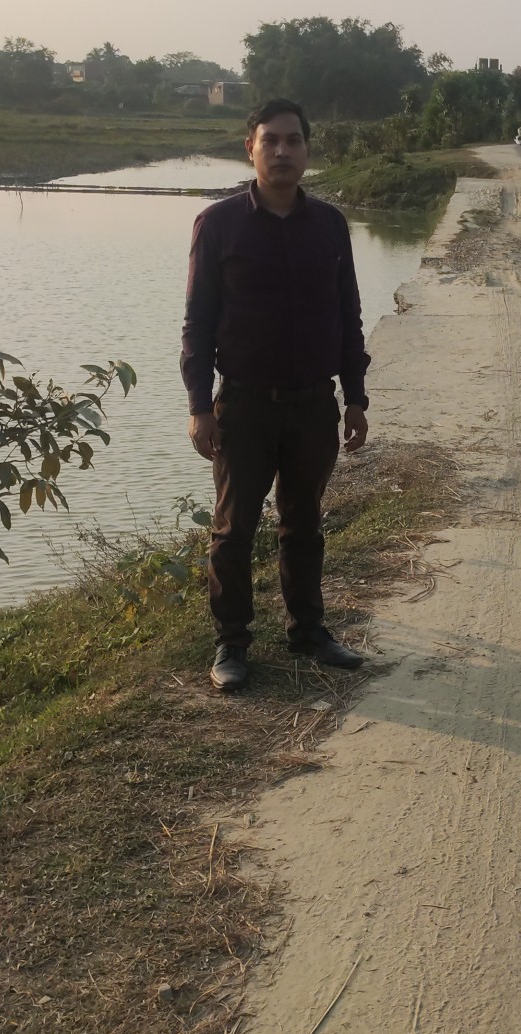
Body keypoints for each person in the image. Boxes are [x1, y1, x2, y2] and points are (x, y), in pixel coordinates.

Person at [180, 98, 371, 692]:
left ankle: (309, 632)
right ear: (251, 149)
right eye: (271, 141)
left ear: (308, 150)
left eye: (293, 141)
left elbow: (348, 315)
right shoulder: (218, 225)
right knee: (233, 530)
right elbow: (197, 323)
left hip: (313, 404)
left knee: (304, 523)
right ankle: (232, 643)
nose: (282, 151)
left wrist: (356, 397)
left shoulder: (330, 225)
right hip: (243, 406)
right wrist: (199, 406)